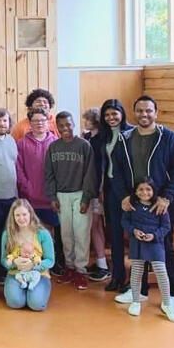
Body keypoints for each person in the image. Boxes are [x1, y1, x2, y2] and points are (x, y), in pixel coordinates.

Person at [113, 96, 174, 315]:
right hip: (136, 204)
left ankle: (171, 295)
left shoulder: (169, 138)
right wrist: (124, 196)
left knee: (165, 246)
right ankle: (140, 290)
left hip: (161, 205)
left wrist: (166, 197)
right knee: (137, 248)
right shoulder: (125, 139)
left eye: (148, 111)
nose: (144, 115)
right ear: (134, 112)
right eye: (139, 111)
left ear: (156, 112)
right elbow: (116, 172)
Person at [44, 111, 96, 290]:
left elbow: (91, 174)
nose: (65, 128)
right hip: (61, 196)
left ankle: (81, 271)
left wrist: (86, 197)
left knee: (81, 234)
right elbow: (49, 174)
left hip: (80, 194)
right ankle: (70, 267)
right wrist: (52, 196)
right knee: (66, 235)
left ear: (74, 124)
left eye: (68, 124)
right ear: (56, 127)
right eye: (61, 126)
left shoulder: (84, 146)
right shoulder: (53, 147)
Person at [121, 178, 174, 322]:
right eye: (140, 189)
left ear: (153, 191)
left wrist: (154, 235)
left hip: (155, 243)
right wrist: (133, 231)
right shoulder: (132, 206)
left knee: (161, 271)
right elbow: (125, 221)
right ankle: (135, 301)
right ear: (135, 191)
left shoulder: (159, 206)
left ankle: (167, 303)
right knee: (137, 271)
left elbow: (166, 226)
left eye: (148, 189)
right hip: (137, 244)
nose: (144, 192)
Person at [15, 107, 62, 275]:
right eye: (35, 121)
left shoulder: (56, 142)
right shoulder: (22, 143)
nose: (40, 124)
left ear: (48, 122)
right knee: (32, 231)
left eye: (43, 120)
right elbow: (18, 168)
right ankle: (33, 262)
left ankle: (51, 261)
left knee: (50, 231)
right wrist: (26, 186)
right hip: (30, 197)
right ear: (30, 123)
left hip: (50, 197)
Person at [98, 99, 133, 292]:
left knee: (133, 235)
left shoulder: (132, 133)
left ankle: (135, 279)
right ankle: (117, 275)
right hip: (111, 189)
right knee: (116, 235)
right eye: (107, 115)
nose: (111, 118)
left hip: (131, 190)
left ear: (122, 114)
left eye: (114, 114)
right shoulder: (103, 137)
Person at [1, 199, 54, 311]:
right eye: (17, 215)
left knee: (36, 304)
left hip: (39, 274)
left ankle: (35, 292)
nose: (21, 218)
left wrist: (33, 265)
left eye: (24, 214)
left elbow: (50, 260)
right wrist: (14, 263)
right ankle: (20, 291)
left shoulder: (42, 233)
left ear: (30, 214)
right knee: (15, 303)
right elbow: (3, 259)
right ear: (13, 217)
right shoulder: (7, 234)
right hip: (16, 273)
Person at [81, 107, 109, 282]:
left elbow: (102, 167)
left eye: (88, 119)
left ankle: (103, 265)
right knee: (93, 225)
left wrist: (100, 188)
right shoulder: (89, 137)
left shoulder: (101, 139)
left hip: (98, 188)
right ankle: (100, 262)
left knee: (96, 225)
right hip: (89, 187)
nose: (85, 122)